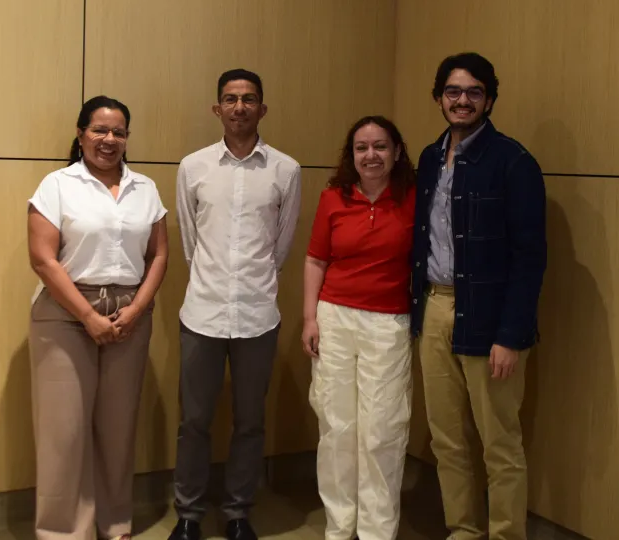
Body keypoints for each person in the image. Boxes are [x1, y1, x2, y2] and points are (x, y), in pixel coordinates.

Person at [410, 53, 547, 540]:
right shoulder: (430, 158)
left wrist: (510, 335)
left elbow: (530, 257)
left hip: (490, 320)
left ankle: (506, 534)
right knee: (446, 440)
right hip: (435, 307)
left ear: (489, 100)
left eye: (473, 92)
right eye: (453, 91)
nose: (462, 100)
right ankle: (463, 530)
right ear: (439, 98)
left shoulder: (514, 162)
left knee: (499, 444)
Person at [26, 95, 170, 540]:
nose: (109, 139)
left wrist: (138, 308)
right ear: (80, 133)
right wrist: (88, 315)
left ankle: (114, 523)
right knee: (63, 433)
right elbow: (43, 259)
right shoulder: (57, 185)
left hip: (130, 314)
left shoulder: (145, 188)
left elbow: (159, 254)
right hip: (65, 314)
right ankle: (63, 532)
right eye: (99, 130)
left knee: (118, 427)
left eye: (118, 132)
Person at [170, 69, 302, 540]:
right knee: (194, 421)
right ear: (217, 108)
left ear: (262, 108)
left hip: (257, 315)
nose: (239, 107)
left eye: (249, 99)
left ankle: (238, 513)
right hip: (202, 313)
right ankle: (188, 514)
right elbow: (190, 242)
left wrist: (251, 282)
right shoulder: (193, 167)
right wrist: (215, 280)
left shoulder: (286, 170)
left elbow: (281, 246)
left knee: (250, 422)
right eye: (230, 99)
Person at [301, 115, 417, 540]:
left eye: (380, 146)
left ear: (397, 152)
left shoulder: (414, 199)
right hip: (334, 318)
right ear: (351, 155)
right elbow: (316, 259)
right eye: (361, 147)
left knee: (382, 430)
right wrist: (310, 318)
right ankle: (339, 526)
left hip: (388, 323)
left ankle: (376, 531)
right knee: (336, 426)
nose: (371, 155)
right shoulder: (334, 198)